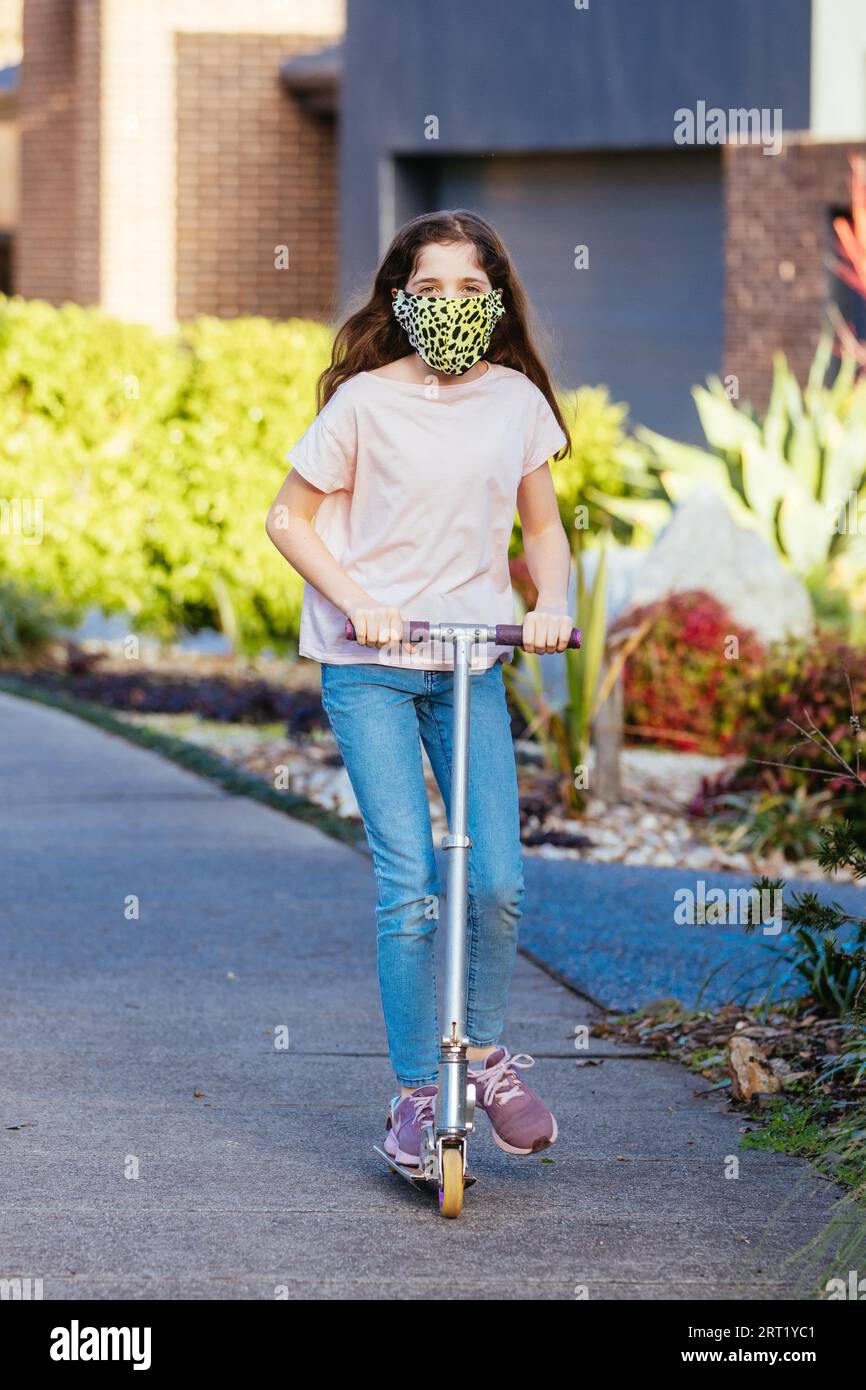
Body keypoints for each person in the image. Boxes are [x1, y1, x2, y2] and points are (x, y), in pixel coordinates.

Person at [265, 209, 574, 1164]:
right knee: (409, 885)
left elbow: (545, 531)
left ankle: (481, 1057)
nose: (449, 305)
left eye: (469, 289)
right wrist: (360, 602)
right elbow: (288, 520)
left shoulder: (517, 400)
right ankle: (411, 1090)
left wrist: (552, 601)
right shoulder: (362, 403)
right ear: (402, 298)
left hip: (468, 662)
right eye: (429, 289)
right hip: (372, 671)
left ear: (495, 298)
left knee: (497, 880)